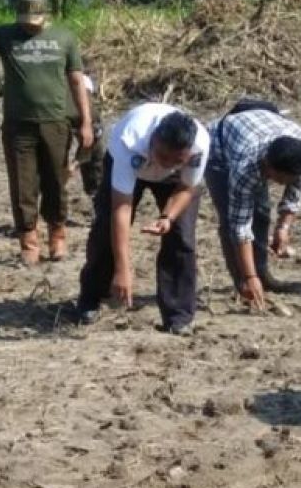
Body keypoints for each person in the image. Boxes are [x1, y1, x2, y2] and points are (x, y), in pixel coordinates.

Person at [0, 0, 94, 265]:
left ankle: (57, 234)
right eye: (25, 20)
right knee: (23, 184)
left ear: (46, 15)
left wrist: (85, 122)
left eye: (35, 20)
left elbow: (77, 81)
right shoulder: (4, 34)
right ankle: (28, 238)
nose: (29, 25)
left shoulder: (64, 38)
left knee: (56, 181)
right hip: (18, 124)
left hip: (55, 121)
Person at [76, 103, 208, 334]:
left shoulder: (199, 148)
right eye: (163, 155)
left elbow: (187, 188)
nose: (167, 163)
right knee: (106, 228)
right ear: (153, 139)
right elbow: (121, 209)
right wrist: (123, 270)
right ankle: (91, 298)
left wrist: (168, 217)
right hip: (132, 165)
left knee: (182, 237)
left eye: (177, 159)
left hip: (174, 182)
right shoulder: (130, 141)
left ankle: (178, 317)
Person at [205, 101, 301, 312]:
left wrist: (283, 228)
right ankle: (244, 284)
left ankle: (262, 274)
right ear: (266, 164)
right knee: (231, 218)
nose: (276, 183)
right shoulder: (245, 165)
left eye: (285, 180)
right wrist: (249, 276)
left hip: (256, 130)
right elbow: (240, 226)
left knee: (262, 213)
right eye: (274, 177)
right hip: (218, 151)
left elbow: (297, 191)